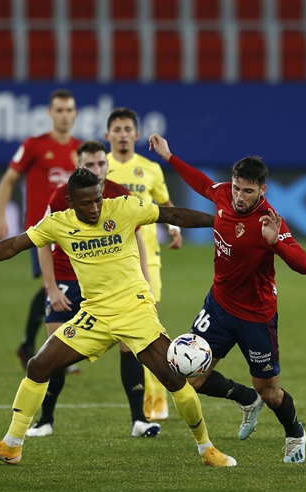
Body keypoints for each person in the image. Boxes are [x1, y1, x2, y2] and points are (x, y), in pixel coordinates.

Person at [0, 168, 236, 467]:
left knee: (173, 378)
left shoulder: (123, 208)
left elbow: (173, 215)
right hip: (95, 314)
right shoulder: (58, 224)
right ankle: (11, 445)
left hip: (134, 311)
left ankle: (206, 448)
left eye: (97, 200)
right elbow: (13, 246)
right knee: (38, 366)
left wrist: (219, 222)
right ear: (70, 202)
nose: (94, 208)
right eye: (85, 203)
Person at [149, 134, 306, 464]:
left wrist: (276, 243)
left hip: (256, 316)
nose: (239, 196)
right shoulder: (224, 194)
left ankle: (295, 432)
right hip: (219, 306)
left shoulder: (270, 221)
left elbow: (304, 265)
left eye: (248, 191)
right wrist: (169, 156)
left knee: (270, 391)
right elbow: (202, 184)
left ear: (262, 190)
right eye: (237, 188)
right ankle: (246, 398)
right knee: (193, 377)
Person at [26, 140, 159, 438]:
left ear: (107, 164)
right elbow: (42, 242)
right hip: (66, 280)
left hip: (109, 287)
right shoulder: (62, 196)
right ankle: (45, 420)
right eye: (89, 164)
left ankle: (138, 419)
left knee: (129, 346)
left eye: (101, 163)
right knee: (53, 351)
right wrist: (51, 288)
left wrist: (145, 281)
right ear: (78, 166)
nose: (97, 170)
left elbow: (136, 237)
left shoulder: (119, 195)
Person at [0, 89, 82, 370]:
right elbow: (8, 180)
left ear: (75, 113)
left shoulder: (80, 150)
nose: (64, 115)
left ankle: (33, 346)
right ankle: (50, 353)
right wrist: (1, 215)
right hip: (40, 230)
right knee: (50, 285)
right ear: (50, 113)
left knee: (63, 287)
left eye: (69, 110)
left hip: (71, 232)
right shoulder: (34, 145)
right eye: (59, 110)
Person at [105, 108, 183, 422]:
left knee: (151, 328)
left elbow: (164, 204)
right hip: (113, 261)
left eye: (128, 129)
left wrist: (174, 228)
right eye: (117, 129)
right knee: (127, 336)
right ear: (108, 135)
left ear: (136, 135)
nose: (123, 135)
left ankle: (156, 400)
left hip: (148, 257)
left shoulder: (150, 169)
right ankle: (142, 402)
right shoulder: (100, 167)